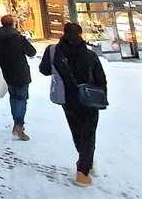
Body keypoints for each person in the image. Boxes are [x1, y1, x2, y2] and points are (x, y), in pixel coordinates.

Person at [39, 22, 107, 186]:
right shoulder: (90, 55)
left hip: (67, 98)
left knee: (76, 130)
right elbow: (100, 79)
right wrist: (102, 99)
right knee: (89, 133)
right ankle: (83, 170)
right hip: (88, 98)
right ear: (80, 34)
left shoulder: (53, 51)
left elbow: (44, 70)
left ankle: (84, 160)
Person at [0, 14, 37, 141]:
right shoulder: (17, 38)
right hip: (21, 71)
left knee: (13, 96)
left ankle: (17, 121)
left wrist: (1, 62)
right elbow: (32, 52)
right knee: (22, 98)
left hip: (7, 71)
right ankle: (19, 124)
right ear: (13, 23)